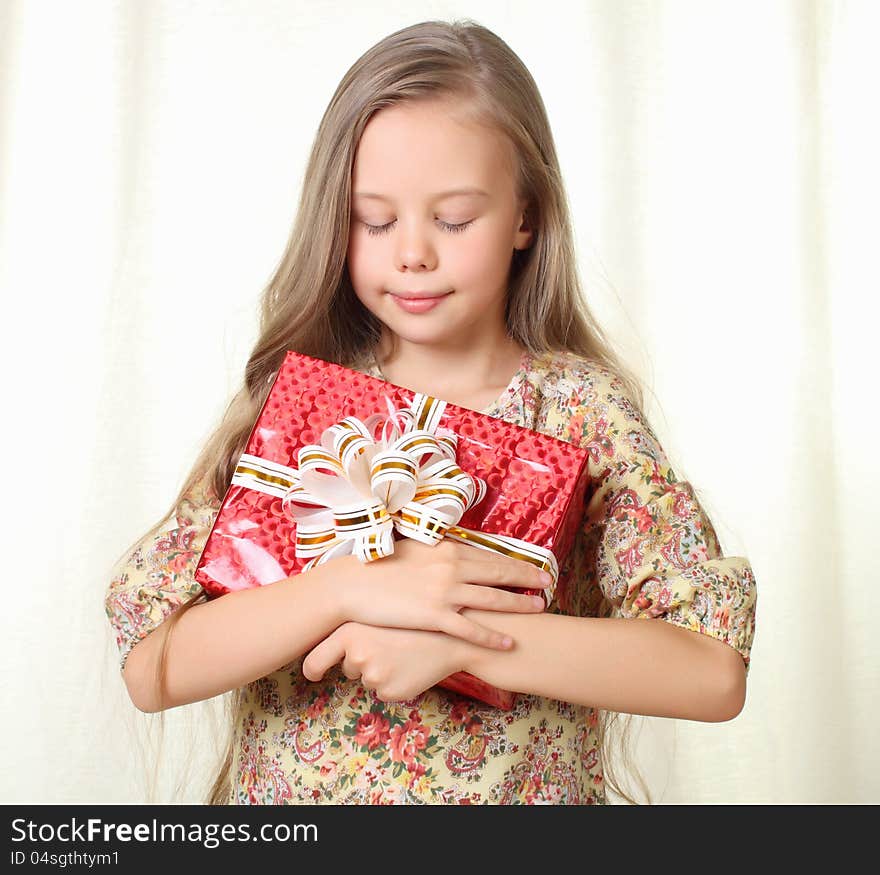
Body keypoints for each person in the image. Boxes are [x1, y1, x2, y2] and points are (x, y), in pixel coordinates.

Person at [105, 18, 757, 806]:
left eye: (452, 219)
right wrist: (348, 589)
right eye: (373, 219)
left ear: (527, 217)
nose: (412, 251)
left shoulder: (580, 412)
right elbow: (152, 663)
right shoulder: (299, 405)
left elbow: (710, 668)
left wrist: (456, 645)